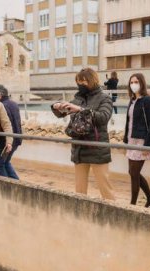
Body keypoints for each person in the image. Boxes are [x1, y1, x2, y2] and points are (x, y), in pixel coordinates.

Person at [51, 68, 115, 200]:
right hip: (79, 148)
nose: (80, 85)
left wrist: (81, 110)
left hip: (97, 148)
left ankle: (116, 215)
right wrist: (56, 106)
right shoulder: (77, 98)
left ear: (92, 81)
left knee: (105, 187)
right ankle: (80, 214)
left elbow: (103, 117)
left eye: (83, 82)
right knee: (79, 190)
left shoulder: (105, 98)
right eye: (78, 82)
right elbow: (62, 113)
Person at [123, 73, 150, 207]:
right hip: (131, 140)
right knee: (132, 172)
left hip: (141, 141)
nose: (133, 84)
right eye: (131, 82)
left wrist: (147, 145)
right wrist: (126, 140)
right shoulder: (131, 101)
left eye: (136, 82)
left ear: (142, 83)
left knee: (134, 172)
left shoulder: (149, 100)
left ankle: (132, 204)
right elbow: (129, 122)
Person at [0, 85, 22, 179]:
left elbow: (4, 126)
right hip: (16, 140)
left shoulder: (2, 106)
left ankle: (5, 187)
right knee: (6, 162)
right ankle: (16, 183)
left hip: (5, 142)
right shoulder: (13, 104)